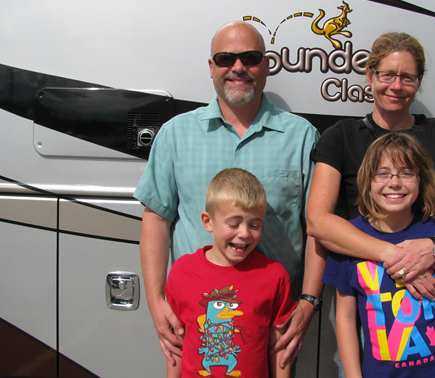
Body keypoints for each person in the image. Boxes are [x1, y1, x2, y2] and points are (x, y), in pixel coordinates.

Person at [134, 21, 321, 370]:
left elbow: (317, 228)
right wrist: (156, 301)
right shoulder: (176, 135)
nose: (238, 67)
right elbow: (156, 220)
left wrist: (309, 301)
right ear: (211, 67)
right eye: (225, 58)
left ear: (266, 66)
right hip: (194, 325)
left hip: (276, 323)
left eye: (250, 58)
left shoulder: (302, 137)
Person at [306, 32, 435, 335]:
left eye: (407, 78)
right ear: (369, 75)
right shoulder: (340, 137)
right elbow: (318, 221)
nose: (396, 86)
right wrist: (398, 258)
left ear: (419, 81)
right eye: (387, 74)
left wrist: (434, 248)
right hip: (371, 296)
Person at [323, 133, 435, 377]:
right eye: (382, 173)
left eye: (406, 173)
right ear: (367, 180)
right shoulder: (349, 240)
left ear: (421, 180)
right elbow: (345, 316)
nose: (394, 183)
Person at [165, 168, 295, 377]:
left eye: (254, 224)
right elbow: (175, 344)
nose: (244, 233)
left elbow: (279, 346)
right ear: (208, 221)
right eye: (234, 224)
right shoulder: (182, 272)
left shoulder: (274, 276)